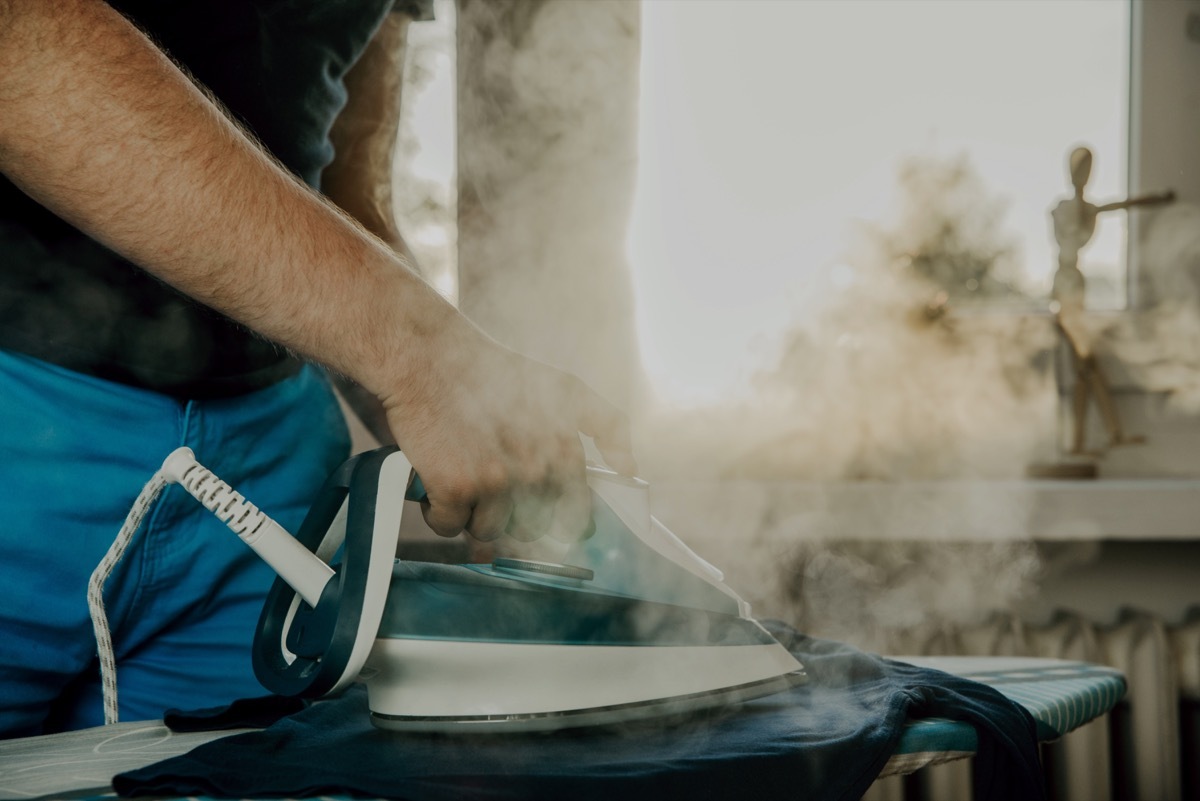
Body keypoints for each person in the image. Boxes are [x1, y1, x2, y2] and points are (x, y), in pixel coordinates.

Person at [0, 0, 635, 738]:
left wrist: (478, 428)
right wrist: (425, 354)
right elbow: (21, 44)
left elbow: (348, 186)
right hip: (27, 426)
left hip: (274, 472)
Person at [1049, 146, 1172, 454]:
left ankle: (1091, 438)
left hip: (1073, 285)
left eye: (1088, 172)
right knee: (1085, 369)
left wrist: (1156, 199)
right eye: (1081, 171)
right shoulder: (1065, 208)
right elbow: (1075, 223)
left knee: (1086, 370)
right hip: (1065, 286)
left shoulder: (1087, 208)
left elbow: (1122, 205)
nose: (1084, 178)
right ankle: (1089, 439)